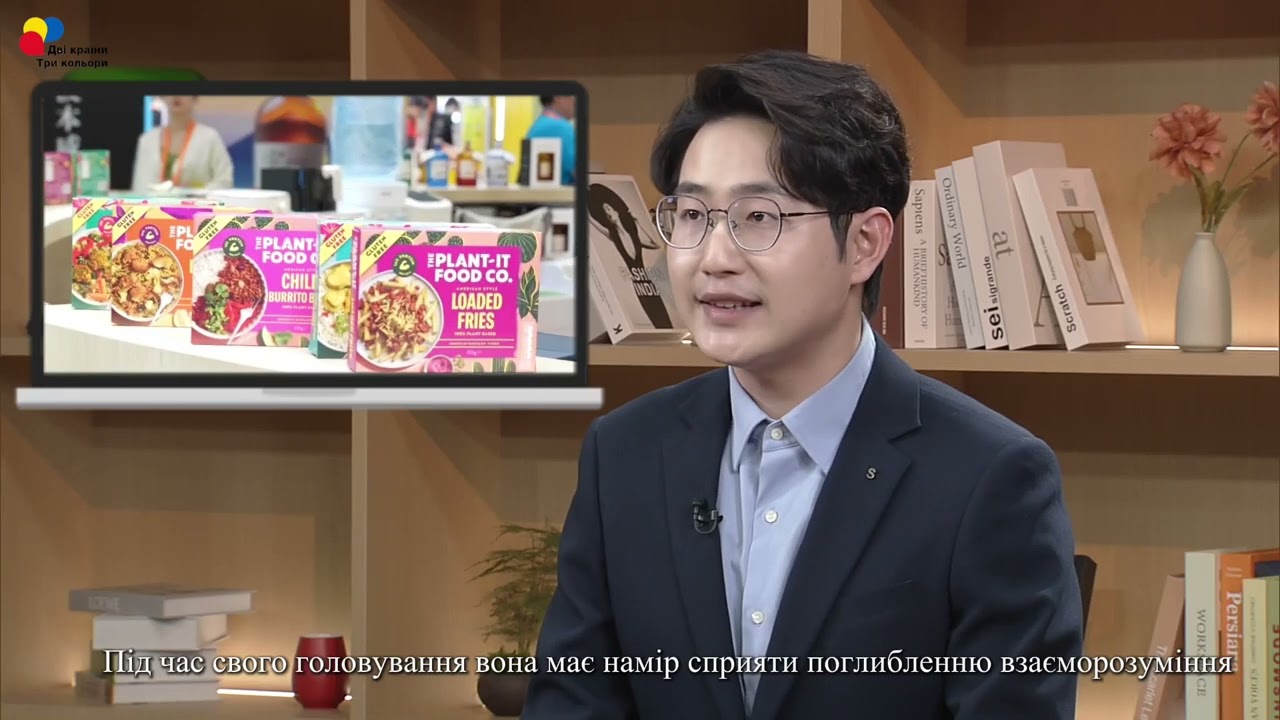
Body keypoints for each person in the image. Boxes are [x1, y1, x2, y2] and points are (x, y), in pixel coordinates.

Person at [524, 50, 1083, 720]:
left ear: (866, 243)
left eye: (759, 217)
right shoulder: (624, 455)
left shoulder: (990, 477)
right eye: (693, 216)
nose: (714, 258)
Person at [586, 181, 674, 329]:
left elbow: (655, 245)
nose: (608, 213)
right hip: (637, 286)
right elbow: (593, 222)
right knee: (654, 321)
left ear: (615, 210)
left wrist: (638, 223)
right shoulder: (613, 235)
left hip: (649, 285)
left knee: (665, 322)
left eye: (608, 209)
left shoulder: (633, 232)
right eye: (605, 212)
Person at [131, 96, 233, 191]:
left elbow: (225, 181)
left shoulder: (210, 137)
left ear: (194, 98)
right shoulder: (147, 139)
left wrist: (195, 192)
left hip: (197, 203)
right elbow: (139, 185)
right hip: (153, 203)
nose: (176, 96)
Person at [523, 95, 576, 185]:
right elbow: (576, 171)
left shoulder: (540, 124)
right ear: (558, 97)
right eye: (571, 97)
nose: (574, 101)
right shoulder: (560, 127)